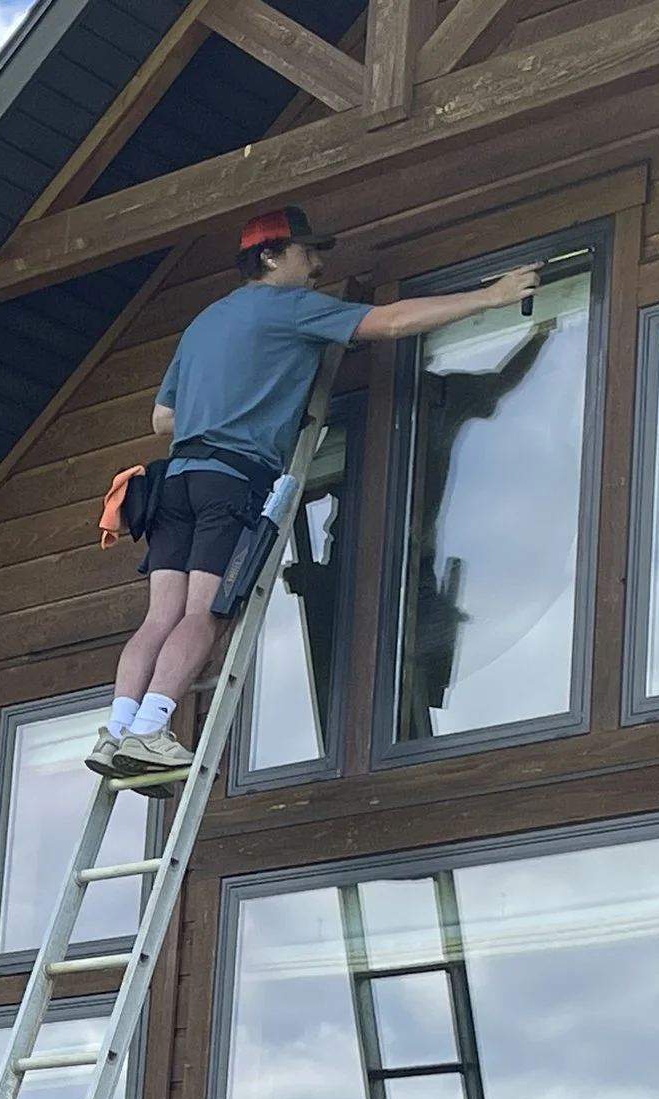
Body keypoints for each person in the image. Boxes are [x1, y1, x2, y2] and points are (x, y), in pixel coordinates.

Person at [91, 205, 542, 780]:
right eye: (308, 252)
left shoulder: (205, 323)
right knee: (204, 614)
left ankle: (118, 730)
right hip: (231, 481)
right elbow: (392, 322)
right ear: (270, 256)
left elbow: (162, 419)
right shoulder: (290, 308)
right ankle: (154, 729)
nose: (319, 263)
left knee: (159, 618)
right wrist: (492, 297)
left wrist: (230, 401)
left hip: (173, 483)